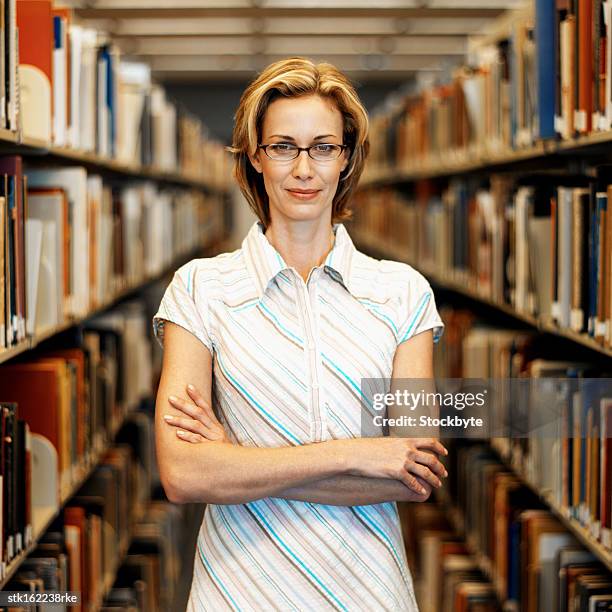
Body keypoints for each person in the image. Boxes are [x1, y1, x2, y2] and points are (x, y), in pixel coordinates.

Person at [152, 57, 448, 611]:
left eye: (323, 147)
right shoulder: (200, 289)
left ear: (346, 159)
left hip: (369, 593)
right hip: (235, 593)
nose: (303, 168)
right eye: (283, 146)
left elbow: (416, 473)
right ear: (256, 158)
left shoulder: (403, 293)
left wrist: (235, 461)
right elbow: (183, 473)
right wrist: (356, 453)